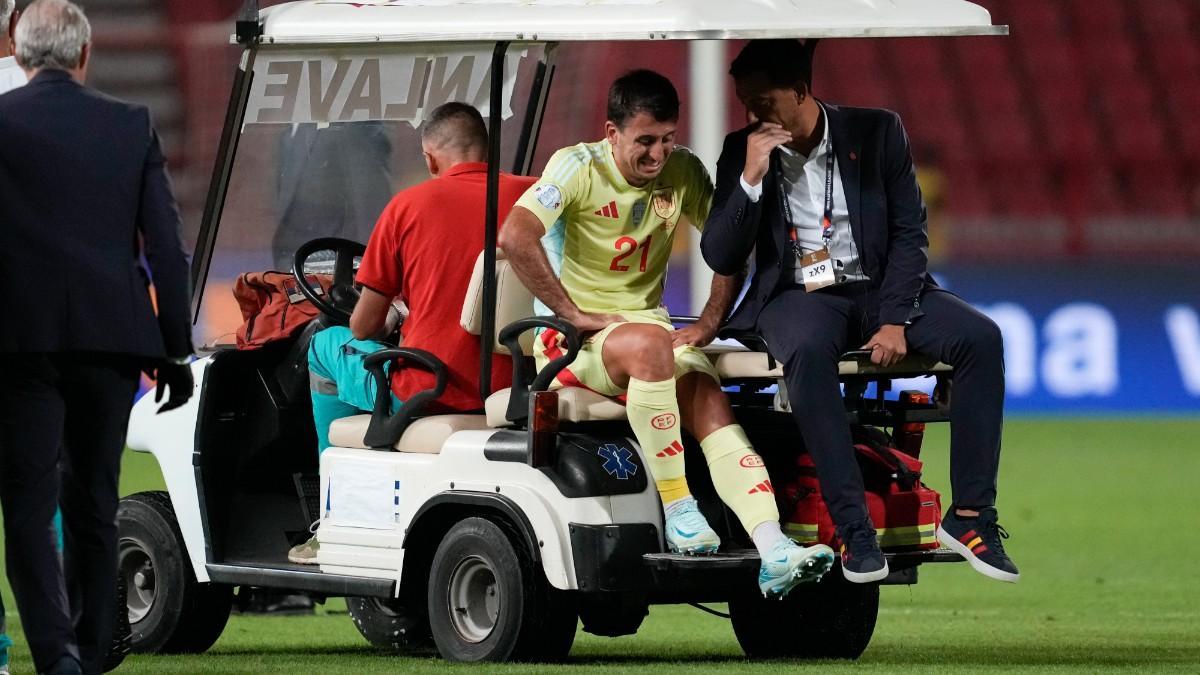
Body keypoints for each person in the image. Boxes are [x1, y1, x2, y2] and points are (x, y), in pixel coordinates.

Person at [499, 69, 834, 598]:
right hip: (572, 345)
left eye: (668, 139)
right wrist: (571, 312)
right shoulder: (576, 166)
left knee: (708, 399)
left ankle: (773, 548)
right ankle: (680, 509)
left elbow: (729, 246)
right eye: (645, 141)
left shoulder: (682, 171)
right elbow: (516, 235)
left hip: (647, 334)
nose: (658, 154)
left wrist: (709, 322)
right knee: (655, 343)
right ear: (612, 133)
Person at [701, 39, 1019, 584]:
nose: (754, 113)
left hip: (880, 290)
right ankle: (853, 527)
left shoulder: (876, 132)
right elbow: (720, 254)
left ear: (801, 91)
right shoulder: (742, 149)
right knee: (805, 349)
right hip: (799, 295)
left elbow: (909, 232)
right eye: (745, 101)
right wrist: (750, 179)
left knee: (981, 338)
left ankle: (970, 518)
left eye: (764, 100)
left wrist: (895, 319)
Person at [0, 2, 194, 673]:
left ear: (18, 54)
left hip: (18, 341)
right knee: (95, 500)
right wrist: (174, 344)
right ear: (85, 56)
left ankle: (57, 657)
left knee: (27, 505)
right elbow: (166, 249)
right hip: (113, 337)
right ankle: (94, 645)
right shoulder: (130, 123)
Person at [288, 102, 531, 564]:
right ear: (488, 149)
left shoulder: (408, 206)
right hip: (514, 384)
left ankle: (331, 512)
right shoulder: (533, 198)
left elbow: (362, 325)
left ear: (430, 157)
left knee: (323, 346)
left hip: (430, 387)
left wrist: (398, 313)